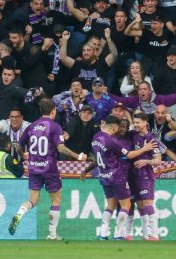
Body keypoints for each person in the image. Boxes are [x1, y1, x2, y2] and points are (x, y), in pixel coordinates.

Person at [8, 98, 88, 240]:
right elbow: (61, 148)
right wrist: (78, 156)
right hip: (49, 169)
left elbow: (18, 145)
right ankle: (52, 234)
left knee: (33, 200)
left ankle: (19, 213)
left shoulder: (31, 126)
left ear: (40, 111)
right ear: (53, 111)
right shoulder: (55, 126)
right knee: (55, 200)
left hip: (33, 168)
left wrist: (24, 155)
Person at [80, 115, 158, 240]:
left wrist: (86, 170)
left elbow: (97, 157)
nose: (121, 129)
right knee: (126, 205)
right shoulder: (112, 142)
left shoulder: (96, 138)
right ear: (115, 127)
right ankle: (118, 234)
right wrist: (145, 148)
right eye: (119, 126)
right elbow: (130, 155)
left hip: (104, 176)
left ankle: (103, 234)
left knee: (110, 205)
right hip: (117, 176)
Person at [130, 112, 164, 240]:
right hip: (133, 176)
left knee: (148, 202)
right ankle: (145, 235)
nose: (135, 124)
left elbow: (158, 160)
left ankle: (154, 235)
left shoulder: (151, 139)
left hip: (145, 175)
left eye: (138, 122)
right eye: (135, 122)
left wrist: (146, 161)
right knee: (140, 205)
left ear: (145, 123)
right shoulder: (132, 135)